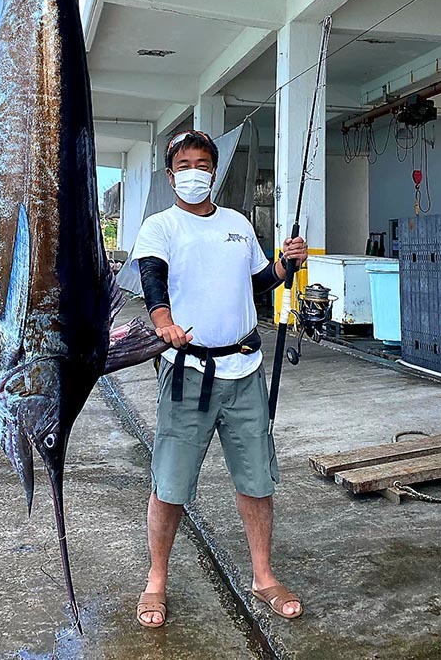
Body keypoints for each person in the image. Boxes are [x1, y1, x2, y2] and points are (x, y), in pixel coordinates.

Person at [131, 129, 308, 628]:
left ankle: (263, 577)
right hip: (188, 373)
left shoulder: (238, 224)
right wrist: (163, 322)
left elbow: (256, 282)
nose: (193, 172)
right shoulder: (160, 227)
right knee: (170, 484)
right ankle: (156, 580)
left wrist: (284, 263)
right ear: (171, 176)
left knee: (256, 481)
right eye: (183, 164)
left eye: (202, 163)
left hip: (245, 369)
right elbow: (152, 279)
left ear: (213, 170)